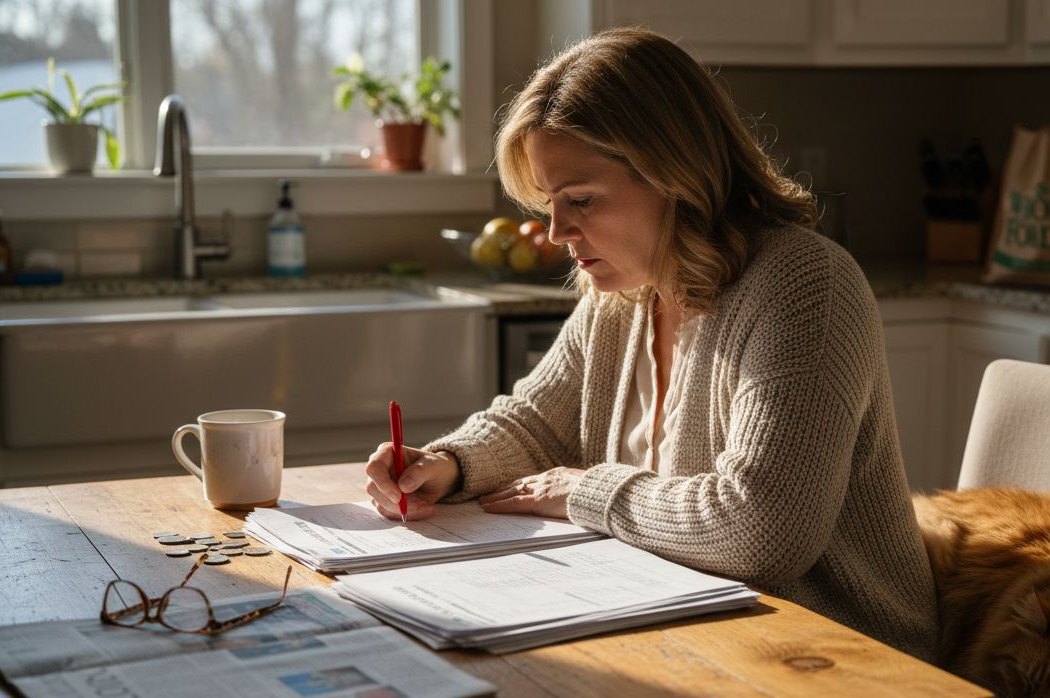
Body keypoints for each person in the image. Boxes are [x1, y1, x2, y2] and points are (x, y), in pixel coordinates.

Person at [364, 27, 937, 662]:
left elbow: (764, 529)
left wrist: (586, 492)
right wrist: (448, 465)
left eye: (580, 200)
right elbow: (535, 426)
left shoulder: (804, 286)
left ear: (674, 175)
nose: (556, 232)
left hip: (846, 663)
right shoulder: (623, 291)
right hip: (693, 635)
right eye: (550, 204)